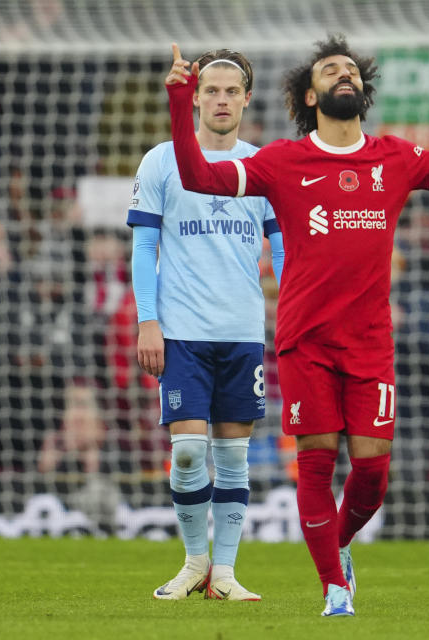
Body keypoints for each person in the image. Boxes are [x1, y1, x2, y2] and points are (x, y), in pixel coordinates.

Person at [166, 34, 429, 616]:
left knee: (371, 473)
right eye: (329, 70)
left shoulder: (396, 158)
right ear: (309, 95)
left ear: (362, 89)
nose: (343, 74)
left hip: (370, 344)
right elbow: (197, 177)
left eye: (350, 69)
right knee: (316, 461)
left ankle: (338, 543)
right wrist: (180, 100)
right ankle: (333, 589)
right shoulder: (280, 161)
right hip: (305, 343)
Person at [129, 48, 284, 602]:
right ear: (193, 96)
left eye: (231, 91)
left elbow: (283, 247)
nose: (220, 99)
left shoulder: (262, 164)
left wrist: (288, 310)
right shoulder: (161, 161)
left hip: (243, 331)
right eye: (210, 90)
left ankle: (224, 574)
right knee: (190, 452)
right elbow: (143, 245)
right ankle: (194, 560)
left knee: (234, 456)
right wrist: (148, 321)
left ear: (246, 98)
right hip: (182, 332)